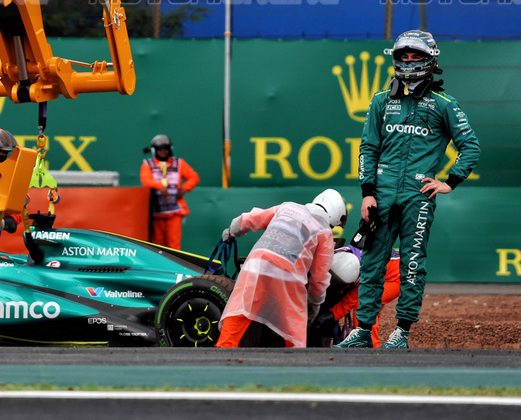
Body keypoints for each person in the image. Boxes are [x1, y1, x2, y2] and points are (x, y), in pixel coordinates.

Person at [336, 30, 480, 350]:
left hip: (419, 195)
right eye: (404, 56)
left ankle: (401, 332)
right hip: (382, 195)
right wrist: (368, 193)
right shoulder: (380, 100)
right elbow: (367, 149)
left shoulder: (444, 103)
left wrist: (449, 181)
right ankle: (363, 330)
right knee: (372, 262)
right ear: (395, 58)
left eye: (416, 56)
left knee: (412, 262)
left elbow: (470, 146)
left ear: (430, 59)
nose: (409, 61)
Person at [214, 188, 341, 348]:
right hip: (288, 274)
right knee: (295, 328)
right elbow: (319, 277)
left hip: (257, 264)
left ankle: (223, 348)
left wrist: (232, 231)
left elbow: (252, 218)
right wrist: (315, 304)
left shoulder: (287, 207)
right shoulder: (325, 231)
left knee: (241, 308)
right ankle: (296, 363)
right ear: (333, 217)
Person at [140, 134, 199, 249]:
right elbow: (145, 180)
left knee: (174, 243)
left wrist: (184, 188)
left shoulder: (179, 163)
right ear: (154, 150)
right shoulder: (148, 164)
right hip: (156, 210)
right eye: (159, 149)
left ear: (170, 149)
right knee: (158, 244)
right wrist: (158, 186)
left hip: (175, 209)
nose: (162, 151)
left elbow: (194, 177)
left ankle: (174, 266)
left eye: (165, 148)